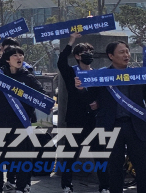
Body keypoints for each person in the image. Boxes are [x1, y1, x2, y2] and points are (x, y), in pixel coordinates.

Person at [79, 41, 146, 193]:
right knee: (114, 168)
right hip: (111, 126)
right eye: (122, 52)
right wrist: (81, 89)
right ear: (111, 56)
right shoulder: (102, 76)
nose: (126, 55)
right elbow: (90, 99)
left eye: (127, 51)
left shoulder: (138, 75)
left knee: (142, 166)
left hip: (136, 126)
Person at [0, 46, 44, 193]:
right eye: (15, 55)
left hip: (21, 124)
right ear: (7, 59)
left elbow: (41, 96)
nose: (19, 57)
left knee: (20, 159)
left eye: (21, 55)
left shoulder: (28, 77)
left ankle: (20, 187)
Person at [57, 33, 106, 193]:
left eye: (90, 52)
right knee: (71, 154)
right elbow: (60, 61)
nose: (89, 55)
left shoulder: (98, 74)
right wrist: (71, 41)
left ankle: (104, 186)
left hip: (94, 119)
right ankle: (66, 185)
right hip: (75, 119)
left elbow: (102, 94)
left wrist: (98, 103)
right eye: (85, 52)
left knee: (100, 154)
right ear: (77, 56)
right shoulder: (71, 72)